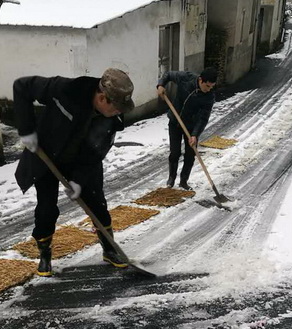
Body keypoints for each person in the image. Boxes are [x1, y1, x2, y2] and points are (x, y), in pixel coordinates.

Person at [14, 68, 135, 276]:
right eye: (116, 107)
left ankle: (110, 249)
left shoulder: (113, 120)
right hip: (47, 155)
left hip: (82, 161)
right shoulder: (66, 89)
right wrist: (26, 129)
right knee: (46, 210)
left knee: (97, 204)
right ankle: (45, 254)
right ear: (101, 97)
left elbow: (96, 153)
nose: (119, 112)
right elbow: (22, 86)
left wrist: (78, 180)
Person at [157, 67, 217, 190]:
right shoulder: (186, 78)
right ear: (200, 80)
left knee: (190, 154)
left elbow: (203, 118)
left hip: (192, 126)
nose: (209, 89)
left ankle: (184, 181)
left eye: (212, 87)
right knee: (175, 152)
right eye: (207, 86)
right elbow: (168, 74)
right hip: (175, 121)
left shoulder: (209, 97)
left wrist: (195, 134)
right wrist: (160, 85)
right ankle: (171, 179)